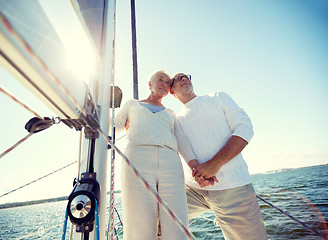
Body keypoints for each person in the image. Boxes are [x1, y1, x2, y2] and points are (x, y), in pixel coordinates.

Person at [170, 73, 268, 240]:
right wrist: (198, 174)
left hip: (233, 188)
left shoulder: (217, 97)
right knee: (157, 221)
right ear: (171, 91)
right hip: (194, 190)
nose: (185, 79)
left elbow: (244, 128)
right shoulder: (175, 119)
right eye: (178, 79)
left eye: (187, 76)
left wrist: (215, 163)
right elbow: (183, 148)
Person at [114, 70, 197, 240]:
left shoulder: (171, 113)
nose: (165, 84)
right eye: (161, 80)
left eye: (168, 82)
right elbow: (115, 126)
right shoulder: (132, 104)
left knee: (177, 218)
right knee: (139, 222)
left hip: (170, 162)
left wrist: (197, 169)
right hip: (137, 159)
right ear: (150, 84)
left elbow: (182, 143)